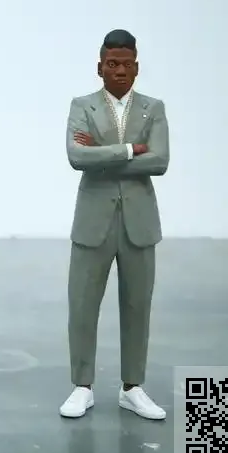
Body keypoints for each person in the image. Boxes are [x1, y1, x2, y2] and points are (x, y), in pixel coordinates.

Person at [59, 29, 169, 420]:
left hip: (139, 223)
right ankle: (82, 386)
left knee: (138, 307)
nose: (119, 71)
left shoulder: (153, 108)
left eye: (126, 64)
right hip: (93, 223)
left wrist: (102, 155)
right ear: (99, 67)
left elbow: (160, 161)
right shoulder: (82, 106)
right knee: (82, 305)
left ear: (136, 67)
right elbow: (77, 156)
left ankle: (132, 387)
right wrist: (128, 150)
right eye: (111, 63)